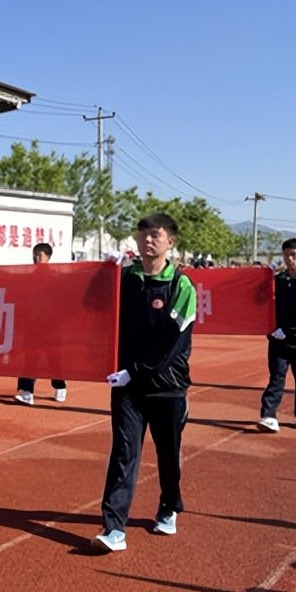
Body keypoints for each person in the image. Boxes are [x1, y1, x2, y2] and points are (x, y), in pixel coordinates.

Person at [94, 212, 196, 552]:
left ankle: (168, 507)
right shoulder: (126, 279)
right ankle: (114, 526)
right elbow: (91, 306)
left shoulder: (181, 286)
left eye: (155, 234)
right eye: (142, 235)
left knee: (168, 454)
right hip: (129, 388)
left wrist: (134, 370)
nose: (147, 240)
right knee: (124, 453)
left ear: (171, 241)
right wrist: (101, 275)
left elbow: (171, 342)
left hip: (167, 386)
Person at [257, 237, 296, 432]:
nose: (289, 259)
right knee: (276, 377)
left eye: (293, 255)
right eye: (285, 255)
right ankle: (268, 415)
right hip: (279, 340)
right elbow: (263, 303)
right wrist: (274, 330)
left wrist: (289, 331)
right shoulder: (278, 280)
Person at [15, 243, 66, 405]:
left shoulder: (56, 277)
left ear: (48, 257)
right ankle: (26, 391)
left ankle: (60, 386)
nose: (36, 258)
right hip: (32, 325)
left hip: (51, 325)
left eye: (39, 255)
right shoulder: (29, 276)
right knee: (30, 358)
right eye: (34, 254)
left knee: (53, 359)